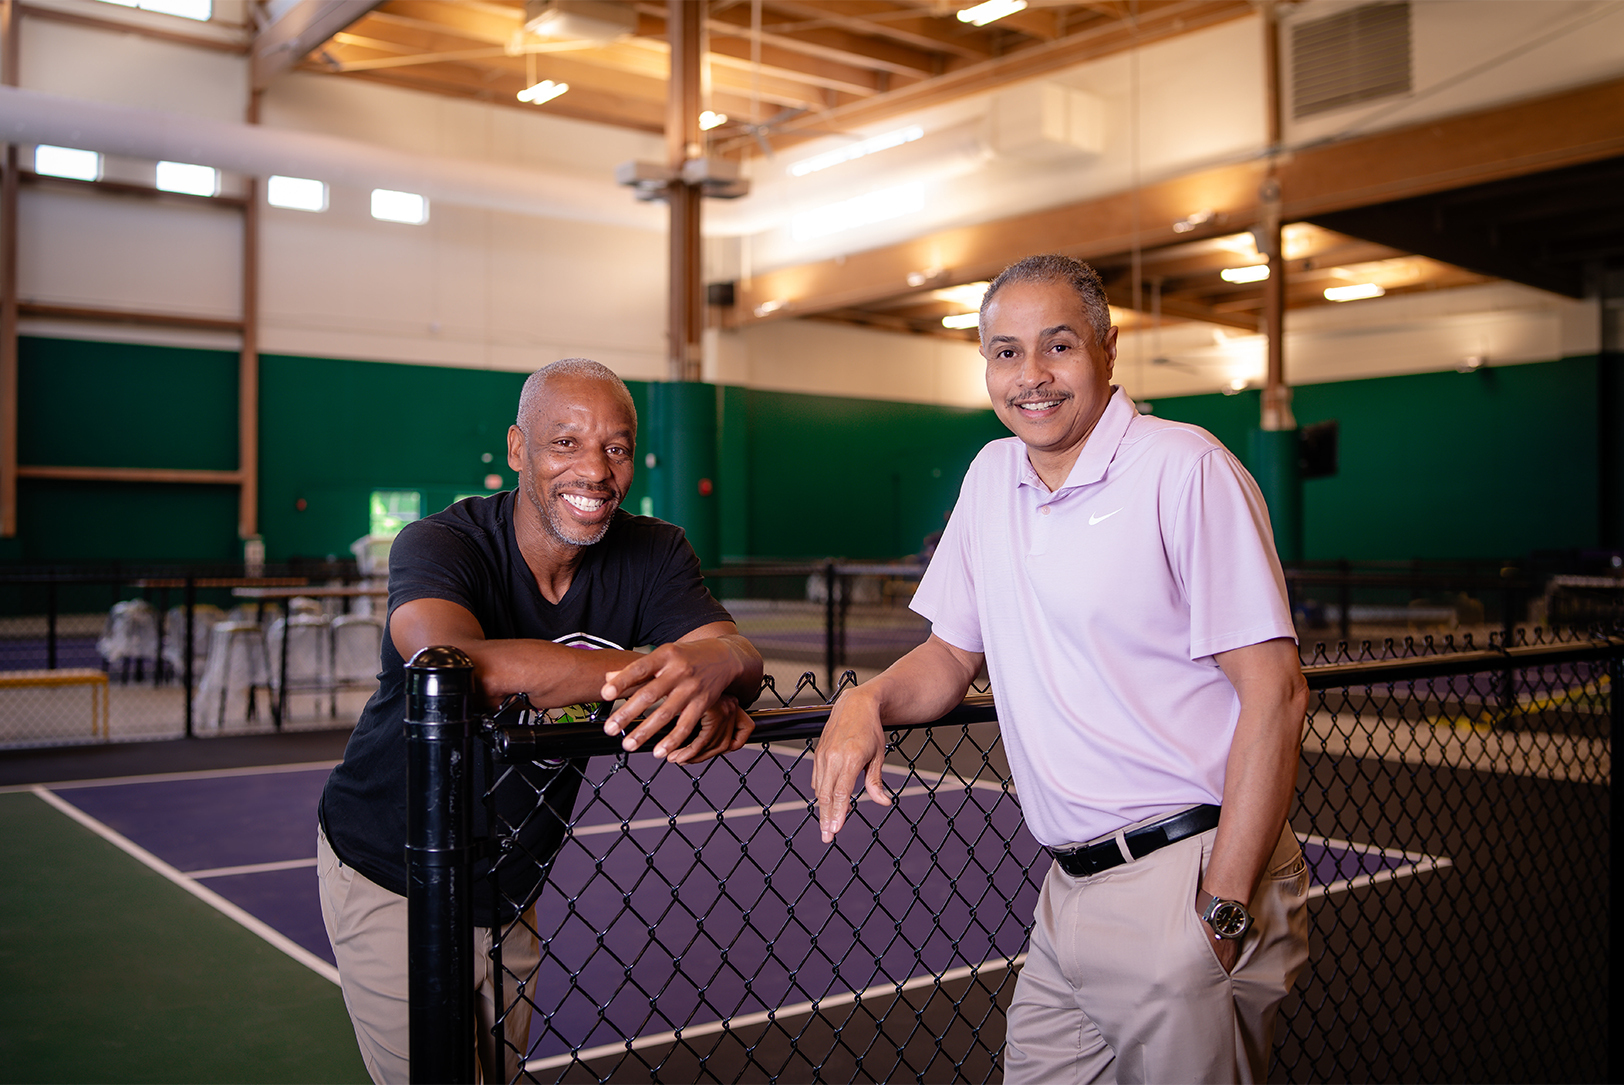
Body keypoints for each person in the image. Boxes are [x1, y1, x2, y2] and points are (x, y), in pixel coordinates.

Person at [812, 255, 1310, 1084]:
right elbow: (950, 654)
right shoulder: (989, 476)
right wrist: (865, 698)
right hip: (1067, 889)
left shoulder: (1185, 468)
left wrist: (1220, 906)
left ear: (1107, 349)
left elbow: (1277, 693)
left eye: (1058, 345)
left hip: (1187, 870)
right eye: (1007, 352)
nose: (1032, 375)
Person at [318, 358, 764, 1084]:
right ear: (518, 448)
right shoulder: (440, 542)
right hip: (392, 866)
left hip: (510, 881)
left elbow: (738, 656)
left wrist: (709, 667)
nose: (595, 470)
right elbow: (452, 664)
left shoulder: (655, 550)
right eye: (565, 443)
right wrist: (665, 670)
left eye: (616, 448)